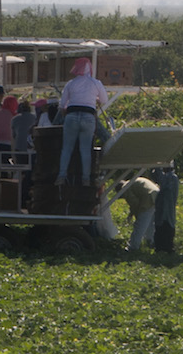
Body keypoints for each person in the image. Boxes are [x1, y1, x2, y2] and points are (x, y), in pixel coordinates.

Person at [54, 58, 108, 186]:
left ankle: (61, 176)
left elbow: (62, 105)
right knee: (85, 149)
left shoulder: (70, 84)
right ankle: (86, 179)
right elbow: (104, 100)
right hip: (88, 116)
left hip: (72, 115)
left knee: (67, 148)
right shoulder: (96, 83)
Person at [116, 173, 159, 252]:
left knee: (140, 225)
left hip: (148, 198)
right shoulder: (132, 181)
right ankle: (150, 241)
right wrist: (131, 213)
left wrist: (136, 216)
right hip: (156, 195)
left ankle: (133, 246)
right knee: (150, 223)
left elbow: (134, 203)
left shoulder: (125, 188)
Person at [150, 165, 181, 253]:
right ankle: (160, 247)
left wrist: (157, 167)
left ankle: (167, 248)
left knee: (166, 226)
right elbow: (156, 177)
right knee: (160, 227)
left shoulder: (172, 177)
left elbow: (162, 183)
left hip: (167, 208)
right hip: (162, 207)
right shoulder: (168, 177)